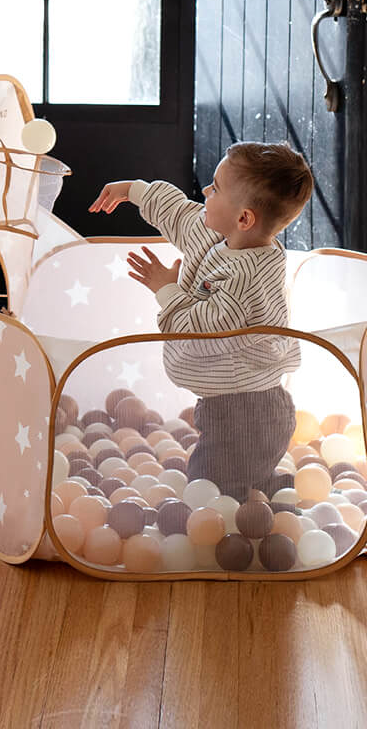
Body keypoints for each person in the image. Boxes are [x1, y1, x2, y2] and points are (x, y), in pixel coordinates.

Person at [88, 142, 314, 501]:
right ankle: (271, 493)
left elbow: (204, 332)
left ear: (243, 218)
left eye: (215, 188)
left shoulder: (247, 278)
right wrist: (134, 191)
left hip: (247, 414)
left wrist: (166, 289)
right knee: (245, 474)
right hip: (236, 405)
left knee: (209, 488)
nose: (206, 192)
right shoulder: (224, 236)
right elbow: (180, 215)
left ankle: (255, 529)